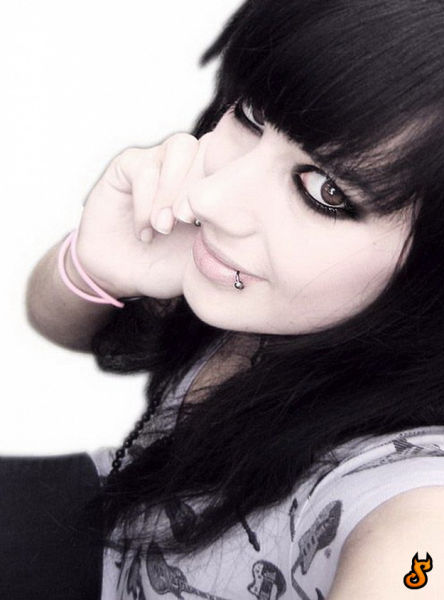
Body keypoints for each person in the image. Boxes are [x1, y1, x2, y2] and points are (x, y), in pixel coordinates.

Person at [24, 0, 444, 598]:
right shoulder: (267, 291)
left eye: (324, 190)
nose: (212, 198)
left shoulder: (414, 497)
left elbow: (419, 564)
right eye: (249, 115)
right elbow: (57, 323)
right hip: (104, 528)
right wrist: (97, 267)